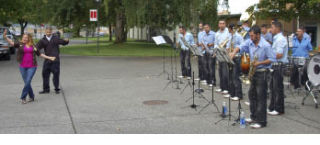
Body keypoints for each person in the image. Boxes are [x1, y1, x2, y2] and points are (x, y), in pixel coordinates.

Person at [230, 25, 274, 129]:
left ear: (258, 35)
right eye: (250, 35)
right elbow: (240, 46)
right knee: (252, 95)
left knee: (261, 97)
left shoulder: (266, 45)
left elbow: (272, 59)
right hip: (253, 72)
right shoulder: (250, 42)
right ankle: (253, 117)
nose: (250, 37)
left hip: (262, 72)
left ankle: (262, 121)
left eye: (252, 35)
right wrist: (233, 52)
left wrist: (259, 63)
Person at [2, 30, 56, 104]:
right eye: (23, 37)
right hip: (22, 67)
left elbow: (40, 54)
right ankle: (31, 96)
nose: (24, 39)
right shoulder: (20, 44)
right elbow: (11, 42)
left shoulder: (33, 46)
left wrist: (50, 58)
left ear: (29, 38)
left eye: (26, 37)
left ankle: (23, 97)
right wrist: (5, 37)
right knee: (27, 82)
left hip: (32, 66)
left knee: (28, 81)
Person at [37, 27, 69, 94]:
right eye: (47, 32)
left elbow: (63, 42)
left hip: (55, 60)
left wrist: (66, 40)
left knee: (56, 74)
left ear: (51, 31)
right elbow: (37, 48)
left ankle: (56, 88)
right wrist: (34, 50)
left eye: (49, 31)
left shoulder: (55, 38)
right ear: (45, 32)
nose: (48, 33)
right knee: (45, 74)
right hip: (47, 60)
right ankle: (46, 89)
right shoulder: (43, 40)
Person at [268, 21, 288, 116]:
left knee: (277, 88)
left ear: (277, 28)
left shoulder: (280, 39)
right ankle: (272, 107)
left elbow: (279, 55)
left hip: (279, 65)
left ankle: (279, 109)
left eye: (272, 27)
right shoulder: (276, 39)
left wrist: (268, 55)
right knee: (272, 87)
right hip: (274, 65)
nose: (270, 29)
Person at [226, 24, 244, 101]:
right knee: (230, 76)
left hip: (237, 57)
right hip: (230, 57)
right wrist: (227, 51)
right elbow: (227, 46)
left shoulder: (239, 36)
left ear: (231, 29)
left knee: (235, 76)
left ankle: (238, 94)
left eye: (229, 29)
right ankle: (232, 93)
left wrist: (234, 52)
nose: (229, 31)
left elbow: (242, 46)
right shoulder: (230, 36)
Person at [214, 20, 230, 97]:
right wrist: (216, 50)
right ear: (218, 25)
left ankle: (226, 88)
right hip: (219, 53)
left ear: (225, 24)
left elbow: (229, 43)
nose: (222, 25)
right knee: (220, 71)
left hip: (225, 53)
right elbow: (215, 43)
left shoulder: (228, 32)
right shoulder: (217, 34)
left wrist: (226, 48)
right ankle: (221, 87)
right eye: (220, 23)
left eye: (223, 23)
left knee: (225, 72)